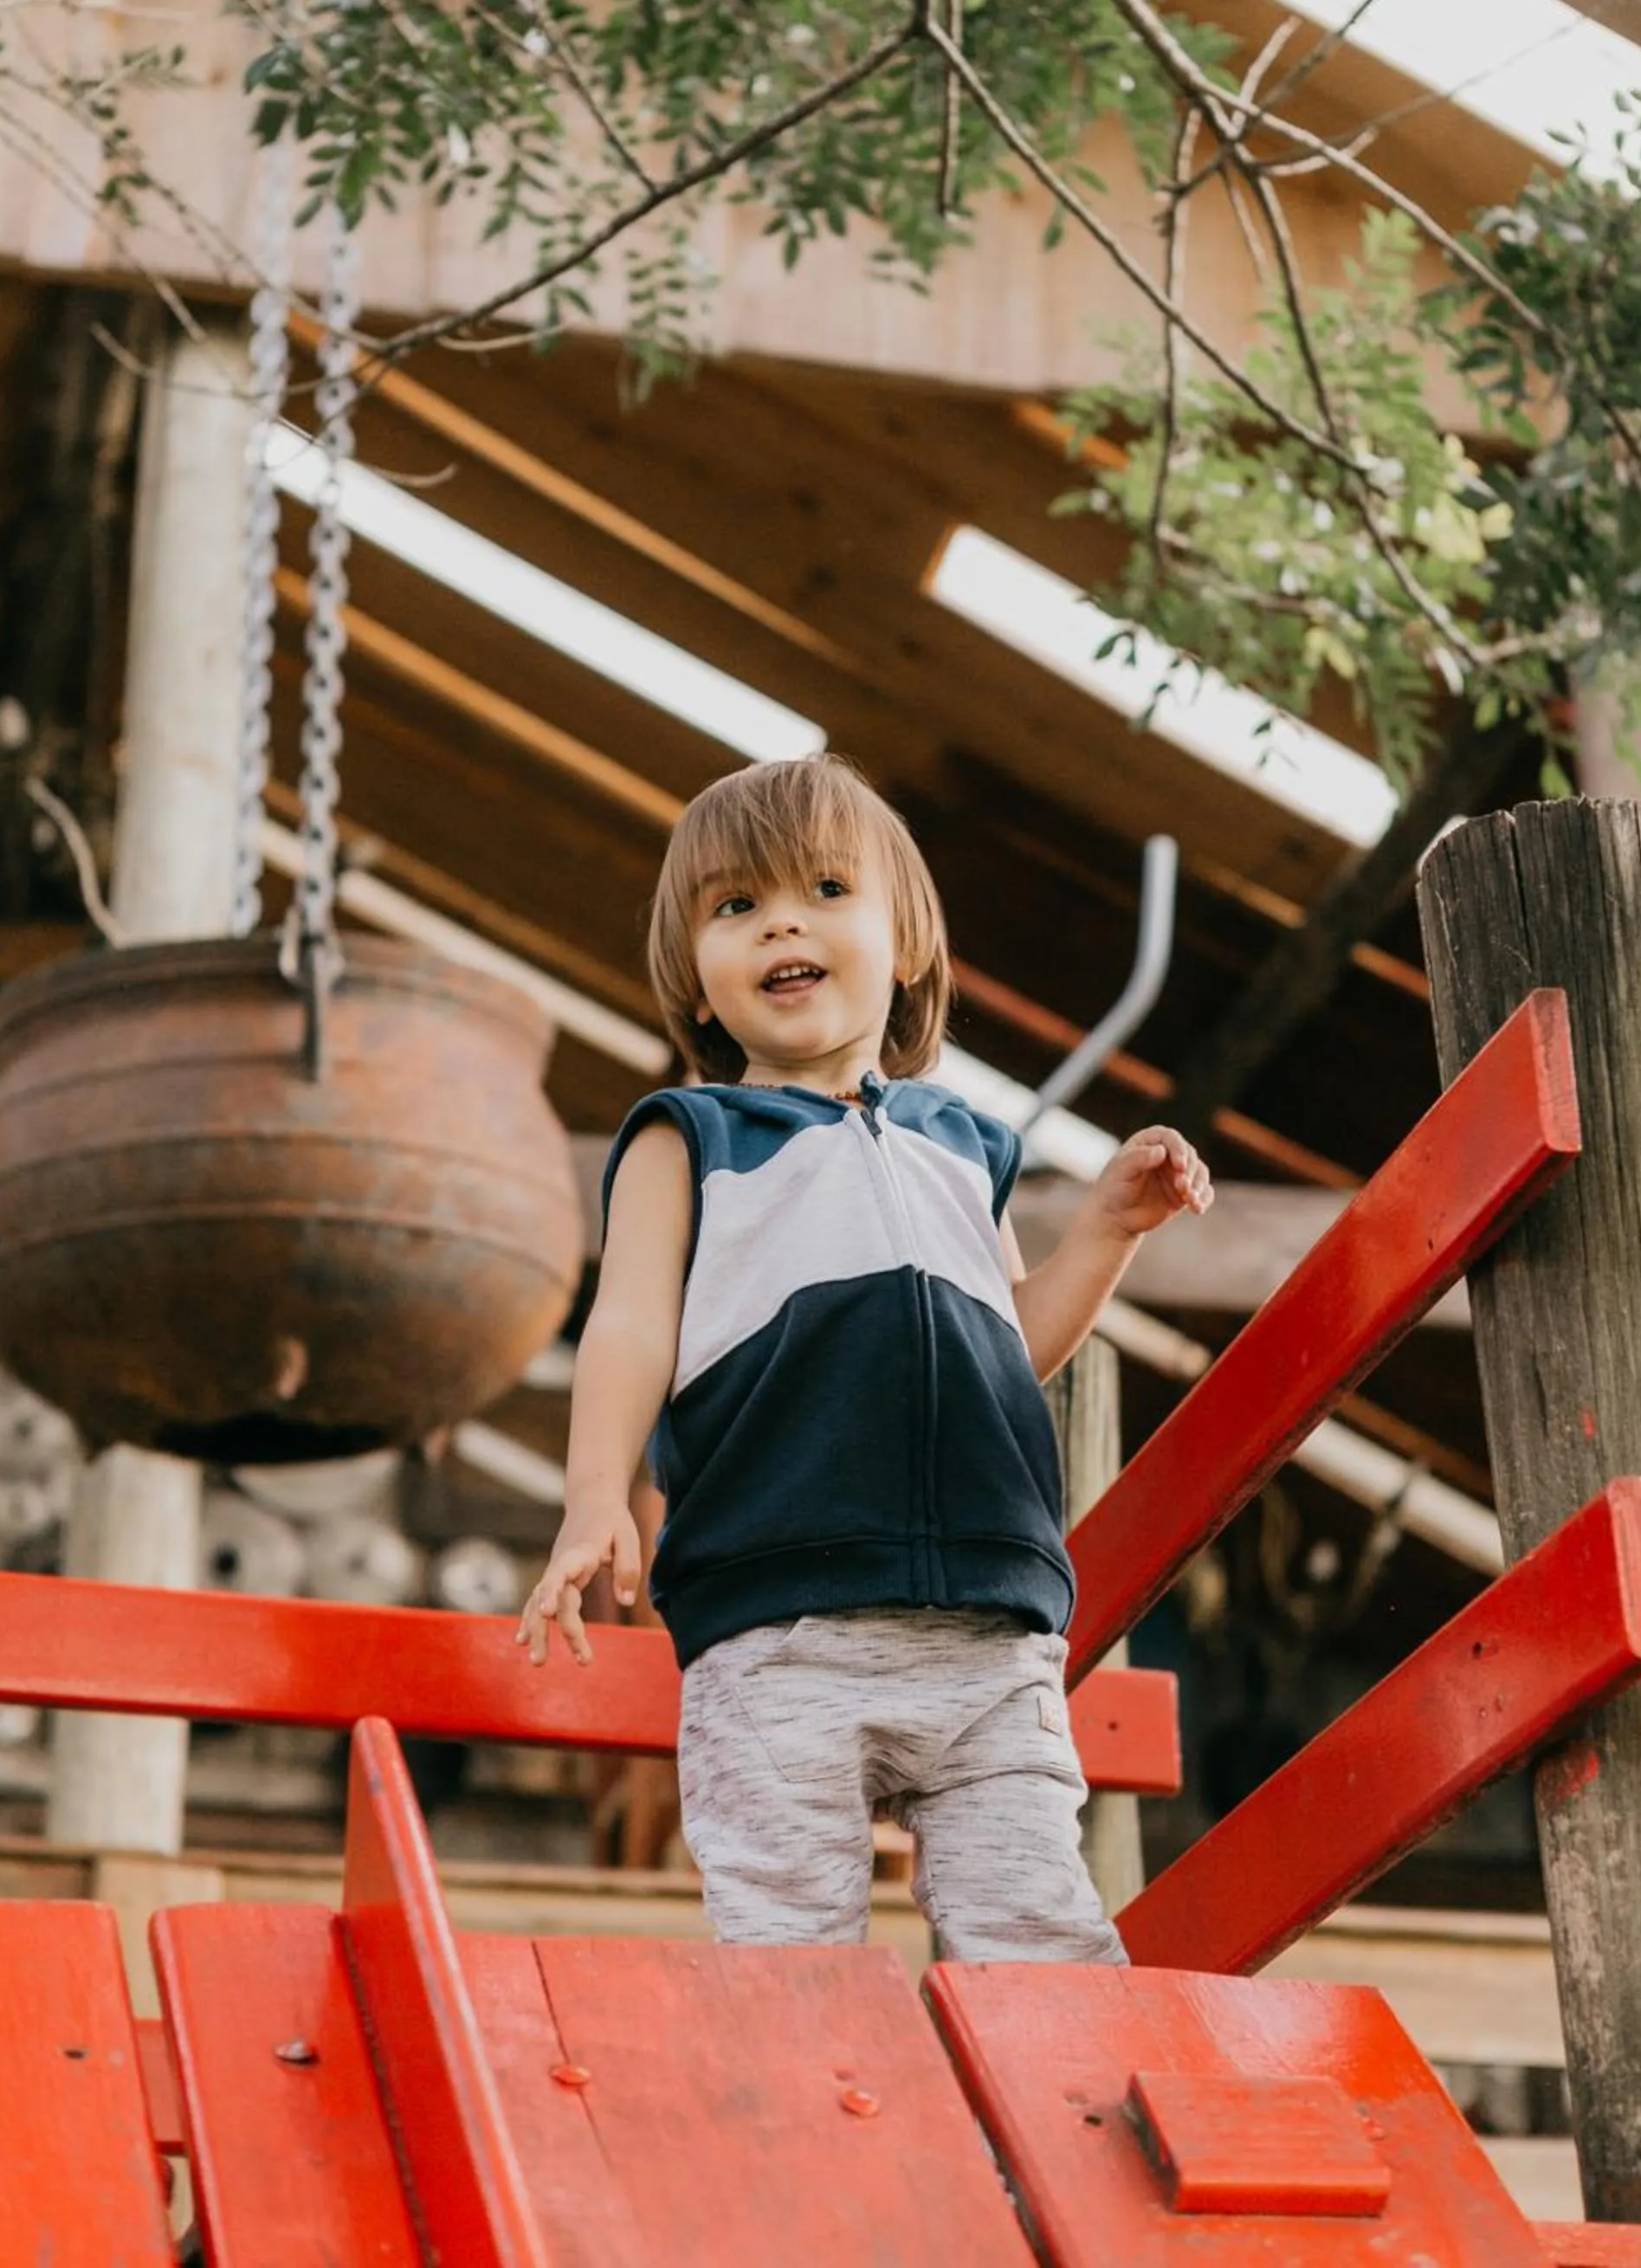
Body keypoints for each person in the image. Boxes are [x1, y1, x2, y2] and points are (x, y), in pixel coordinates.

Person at [519, 751, 1211, 1961]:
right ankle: (805, 2148)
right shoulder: (693, 1139)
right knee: (791, 1950)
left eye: (825, 888)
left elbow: (1016, 1341)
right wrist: (591, 1498)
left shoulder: (963, 1144)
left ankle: (1031, 2150)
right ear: (695, 976)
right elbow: (628, 1324)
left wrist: (1105, 1228)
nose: (781, 918)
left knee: (1039, 1943)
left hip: (990, 1638)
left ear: (905, 944)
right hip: (781, 1627)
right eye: (737, 906)